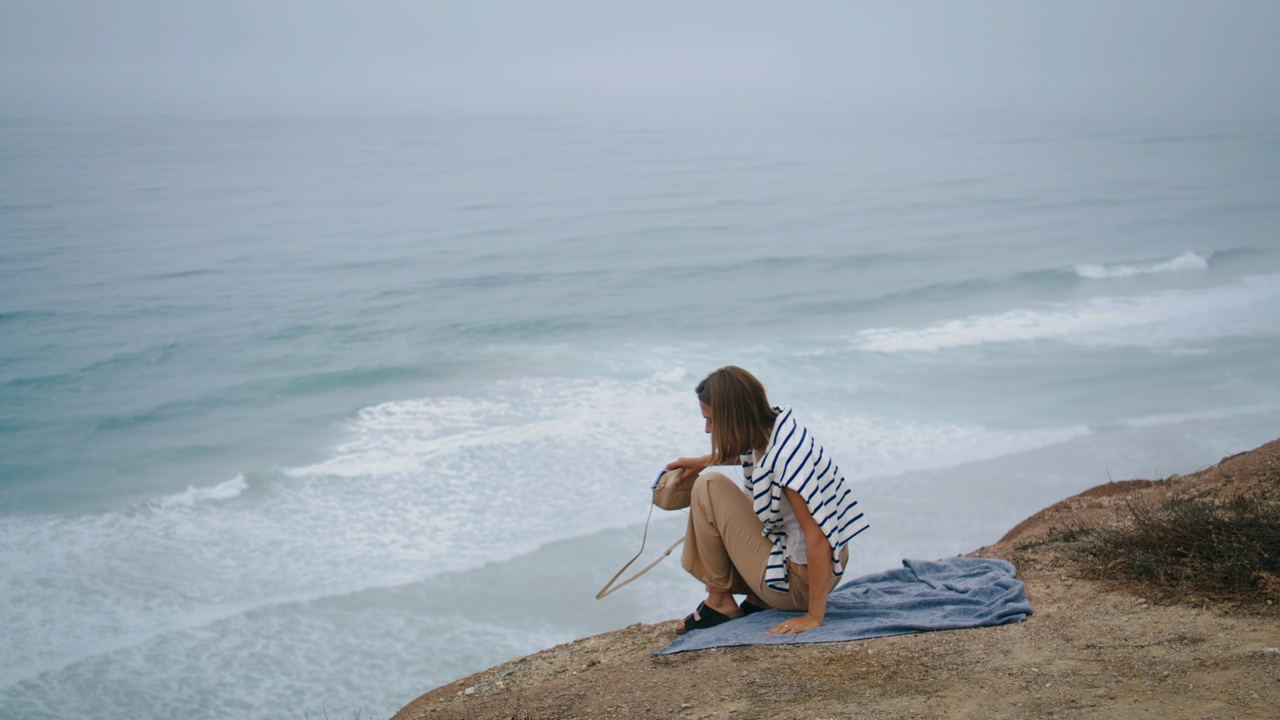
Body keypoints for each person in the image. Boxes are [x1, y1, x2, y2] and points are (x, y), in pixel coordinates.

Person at [666, 366, 868, 635]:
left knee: (708, 486)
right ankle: (755, 599)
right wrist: (703, 460)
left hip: (800, 584)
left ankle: (719, 603)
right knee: (710, 480)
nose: (706, 429)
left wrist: (813, 616)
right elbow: (753, 453)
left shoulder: (786, 461)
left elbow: (817, 536)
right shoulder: (777, 428)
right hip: (824, 564)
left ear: (733, 420)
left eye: (711, 420)